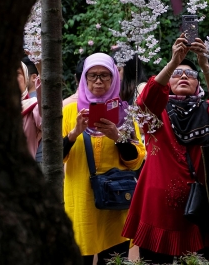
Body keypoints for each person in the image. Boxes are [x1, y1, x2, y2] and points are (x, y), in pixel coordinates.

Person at [122, 36, 209, 264]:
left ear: (198, 84)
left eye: (191, 75)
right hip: (158, 206)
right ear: (168, 82)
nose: (184, 76)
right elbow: (144, 101)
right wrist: (173, 62)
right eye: (177, 74)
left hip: (201, 207)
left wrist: (204, 64)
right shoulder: (156, 112)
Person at [61, 53, 146, 265]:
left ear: (114, 78)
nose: (98, 81)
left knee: (114, 259)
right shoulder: (70, 111)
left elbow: (136, 158)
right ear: (84, 78)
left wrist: (117, 137)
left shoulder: (124, 113)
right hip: (80, 202)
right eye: (92, 76)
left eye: (105, 75)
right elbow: (55, 157)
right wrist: (74, 133)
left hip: (114, 204)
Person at [18, 61, 42, 159]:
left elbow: (49, 123)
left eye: (16, 73)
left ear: (25, 79)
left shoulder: (33, 107)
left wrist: (40, 67)